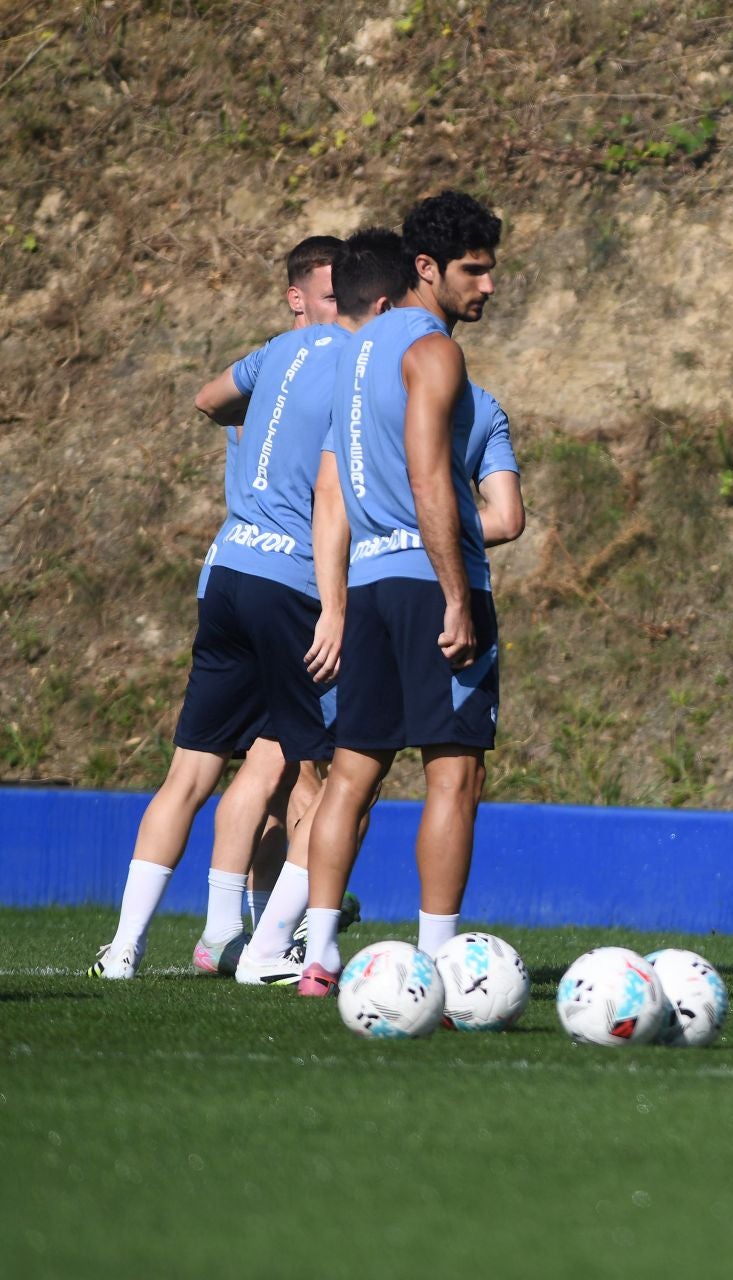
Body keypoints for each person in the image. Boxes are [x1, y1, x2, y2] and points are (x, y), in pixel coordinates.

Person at [89, 237, 349, 978]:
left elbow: (208, 402)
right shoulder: (348, 363)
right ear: (300, 295)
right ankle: (273, 941)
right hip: (292, 584)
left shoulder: (269, 359)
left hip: (227, 570)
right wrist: (336, 603)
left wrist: (245, 430)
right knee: (320, 774)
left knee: (205, 772)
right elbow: (336, 488)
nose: (345, 307)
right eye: (330, 293)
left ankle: (129, 947)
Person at [294, 194, 505, 996]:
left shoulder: (351, 351)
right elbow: (428, 477)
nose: (489, 286)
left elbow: (333, 491)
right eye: (474, 270)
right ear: (427, 269)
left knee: (353, 773)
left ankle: (317, 957)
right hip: (428, 579)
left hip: (370, 582)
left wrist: (337, 602)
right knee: (454, 775)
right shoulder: (434, 353)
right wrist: (457, 596)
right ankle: (444, 964)